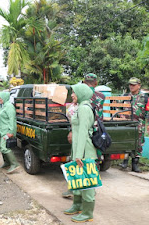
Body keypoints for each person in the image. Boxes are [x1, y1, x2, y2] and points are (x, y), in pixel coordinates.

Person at [63, 73, 104, 198]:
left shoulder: (82, 99)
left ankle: (86, 192)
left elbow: (77, 119)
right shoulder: (100, 96)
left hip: (86, 130)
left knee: (83, 164)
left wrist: (72, 130)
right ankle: (83, 192)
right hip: (96, 130)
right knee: (91, 162)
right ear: (96, 82)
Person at [63, 83, 97, 223]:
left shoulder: (83, 109)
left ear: (82, 93)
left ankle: (87, 213)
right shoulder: (80, 107)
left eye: (74, 92)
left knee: (87, 183)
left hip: (85, 152)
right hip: (78, 150)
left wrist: (79, 155)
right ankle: (77, 205)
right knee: (77, 180)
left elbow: (83, 133)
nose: (72, 95)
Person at [119, 77, 147, 173]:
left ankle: (135, 164)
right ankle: (124, 161)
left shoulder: (145, 98)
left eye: (134, 85)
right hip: (126, 124)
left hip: (139, 124)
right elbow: (119, 109)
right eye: (130, 84)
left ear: (139, 85)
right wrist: (121, 115)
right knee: (126, 141)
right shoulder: (125, 96)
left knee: (138, 144)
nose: (131, 86)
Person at [0, 92, 19, 174]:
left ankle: (14, 164)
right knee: (0, 146)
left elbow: (12, 120)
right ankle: (7, 162)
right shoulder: (3, 106)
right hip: (2, 131)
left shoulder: (9, 106)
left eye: (0, 98)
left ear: (5, 97)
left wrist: (11, 132)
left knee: (4, 148)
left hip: (7, 131)